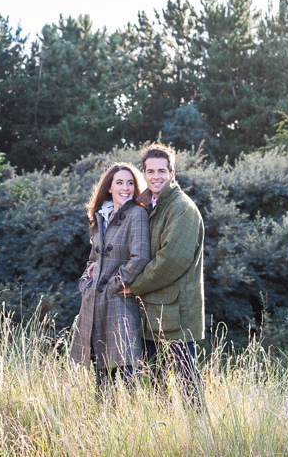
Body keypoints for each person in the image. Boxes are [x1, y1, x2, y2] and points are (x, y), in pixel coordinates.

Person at [121, 143, 205, 404]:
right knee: (155, 380)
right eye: (150, 171)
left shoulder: (181, 208)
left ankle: (201, 435)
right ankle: (164, 435)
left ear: (172, 173)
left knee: (186, 380)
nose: (156, 176)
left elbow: (171, 261)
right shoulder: (147, 205)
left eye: (161, 171)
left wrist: (134, 286)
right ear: (143, 174)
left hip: (176, 311)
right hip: (153, 309)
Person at [69, 162, 151, 388]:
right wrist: (86, 282)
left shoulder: (137, 214)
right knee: (102, 377)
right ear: (109, 187)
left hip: (120, 302)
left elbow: (140, 257)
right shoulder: (100, 217)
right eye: (119, 183)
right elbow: (93, 258)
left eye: (130, 183)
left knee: (127, 372)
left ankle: (132, 421)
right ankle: (104, 421)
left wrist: (114, 285)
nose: (125, 188)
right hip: (94, 301)